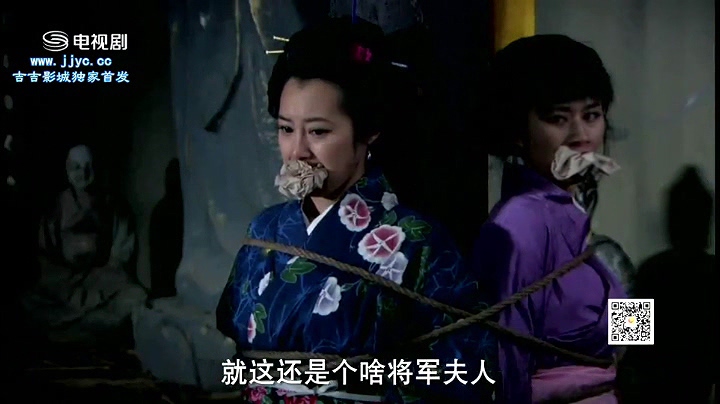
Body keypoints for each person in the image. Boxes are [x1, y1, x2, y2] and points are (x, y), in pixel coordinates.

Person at [216, 16, 498, 403]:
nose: (297, 151)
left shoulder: (417, 241)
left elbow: (467, 366)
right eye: (286, 129)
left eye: (318, 131)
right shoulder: (264, 231)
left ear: (368, 132)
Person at [470, 35, 628, 403]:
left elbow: (626, 345)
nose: (580, 136)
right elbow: (508, 368)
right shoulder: (518, 223)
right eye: (558, 119)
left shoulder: (573, 214)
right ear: (517, 131)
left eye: (591, 115)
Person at [23, 144, 147, 348]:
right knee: (29, 302)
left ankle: (73, 331)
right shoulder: (56, 207)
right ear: (67, 170)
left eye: (90, 167)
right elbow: (45, 255)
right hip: (65, 282)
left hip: (101, 279)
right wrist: (65, 282)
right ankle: (89, 328)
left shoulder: (113, 204)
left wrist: (108, 271)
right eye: (77, 167)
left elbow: (122, 251)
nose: (84, 173)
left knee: (136, 297)